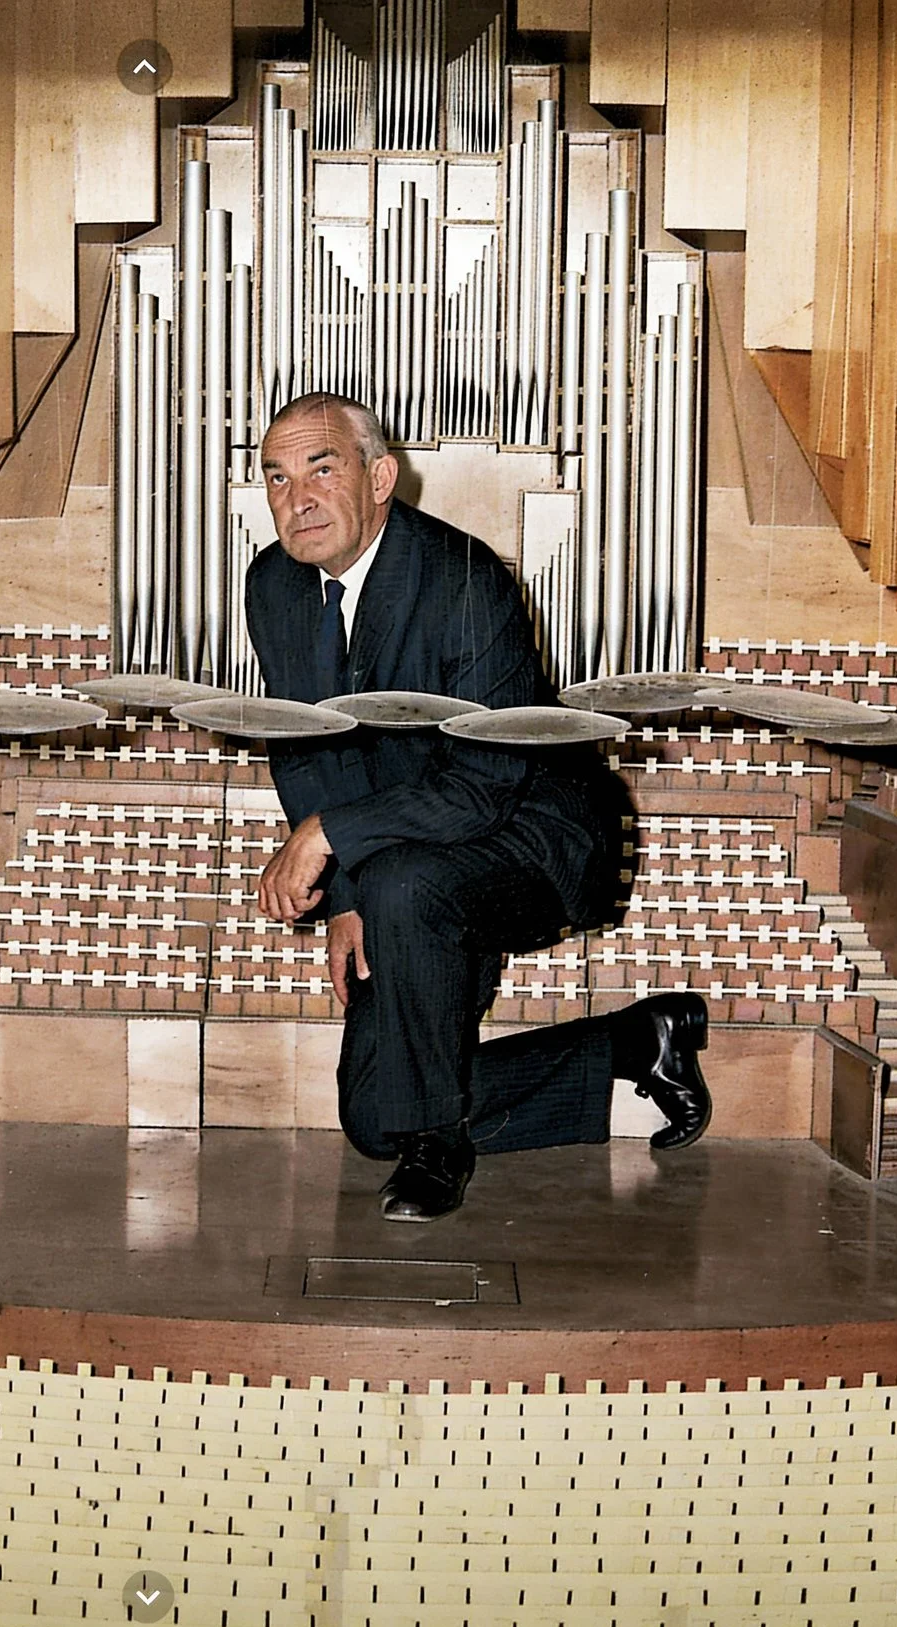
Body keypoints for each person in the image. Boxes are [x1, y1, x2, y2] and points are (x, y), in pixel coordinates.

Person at [246, 392, 714, 1223]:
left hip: (537, 832)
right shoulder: (274, 586)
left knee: (407, 896)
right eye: (277, 478)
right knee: (369, 1118)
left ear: (381, 476)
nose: (298, 498)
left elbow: (482, 785)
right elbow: (308, 749)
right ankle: (638, 1043)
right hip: (403, 855)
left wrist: (332, 841)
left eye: (323, 468)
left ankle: (439, 1148)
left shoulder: (463, 581)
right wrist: (347, 898)